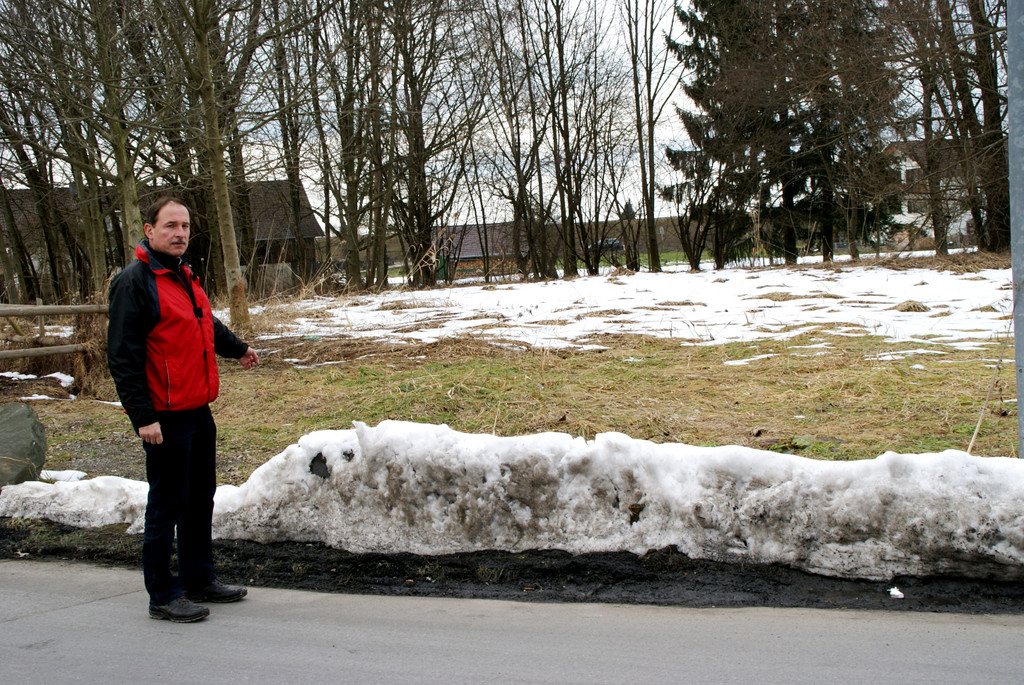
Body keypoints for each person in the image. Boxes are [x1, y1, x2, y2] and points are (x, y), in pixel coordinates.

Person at [107, 196, 259, 623]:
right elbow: (122, 356)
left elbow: (204, 324)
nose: (179, 234)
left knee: (198, 499)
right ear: (150, 230)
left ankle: (198, 577)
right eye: (170, 225)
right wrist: (143, 417)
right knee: (167, 504)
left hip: (197, 409)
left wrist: (238, 349)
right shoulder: (134, 282)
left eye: (185, 226)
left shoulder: (184, 275)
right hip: (164, 415)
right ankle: (162, 594)